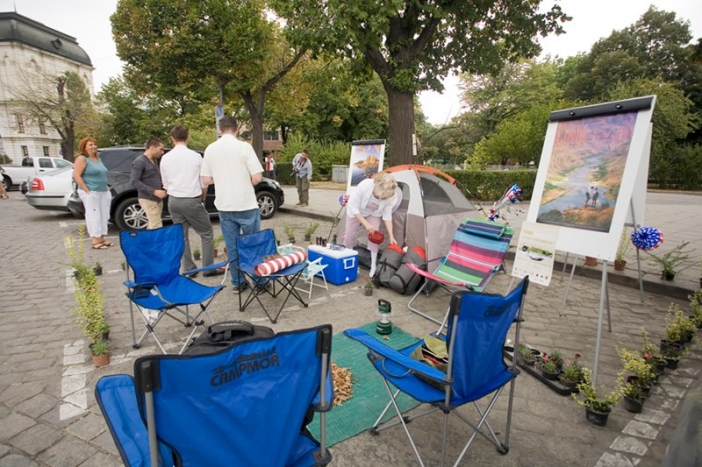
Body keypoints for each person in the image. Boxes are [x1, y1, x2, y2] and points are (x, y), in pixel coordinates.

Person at [201, 116, 266, 294]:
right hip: (245, 203)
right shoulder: (244, 147)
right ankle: (259, 281)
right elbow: (257, 177)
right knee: (253, 244)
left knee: (232, 246)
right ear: (236, 130)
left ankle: (238, 282)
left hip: (224, 205)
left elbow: (205, 180)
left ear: (220, 130)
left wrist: (222, 180)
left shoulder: (211, 149)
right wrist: (245, 182)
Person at [160, 125, 222, 278]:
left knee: (182, 235)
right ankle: (208, 268)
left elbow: (165, 183)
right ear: (187, 137)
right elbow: (203, 182)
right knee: (206, 232)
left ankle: (189, 269)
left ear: (172, 139)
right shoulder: (195, 157)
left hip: (174, 200)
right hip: (191, 198)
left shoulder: (165, 158)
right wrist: (201, 199)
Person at [343, 172, 398, 277]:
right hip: (356, 211)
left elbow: (387, 217)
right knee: (349, 235)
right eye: (382, 197)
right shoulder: (364, 186)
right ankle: (350, 259)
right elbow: (353, 207)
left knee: (375, 236)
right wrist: (366, 224)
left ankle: (373, 265)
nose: (384, 199)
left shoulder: (389, 196)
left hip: (374, 213)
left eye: (385, 198)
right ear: (377, 189)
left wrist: (391, 236)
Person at [73, 137, 112, 249]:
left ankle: (102, 237)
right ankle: (95, 240)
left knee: (104, 214)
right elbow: (76, 175)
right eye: (90, 144)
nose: (94, 146)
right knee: (93, 214)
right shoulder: (82, 159)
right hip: (91, 191)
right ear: (84, 147)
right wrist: (86, 190)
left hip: (103, 190)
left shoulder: (97, 159)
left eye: (94, 144)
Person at [129, 137, 166, 229]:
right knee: (156, 225)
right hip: (148, 198)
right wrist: (154, 191)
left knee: (152, 225)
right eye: (160, 149)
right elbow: (134, 181)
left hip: (157, 199)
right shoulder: (140, 161)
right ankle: (156, 243)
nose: (162, 152)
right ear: (152, 148)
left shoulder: (154, 160)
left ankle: (146, 243)